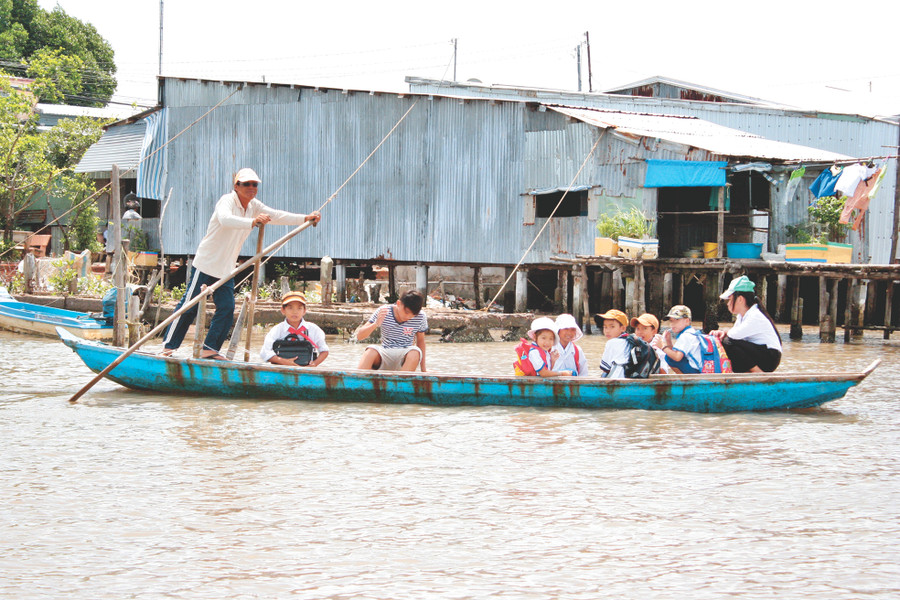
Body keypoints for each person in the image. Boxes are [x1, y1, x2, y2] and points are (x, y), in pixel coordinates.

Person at [161, 168, 321, 359]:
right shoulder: (227, 200)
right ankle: (168, 347)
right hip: (206, 263)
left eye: (254, 184)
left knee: (227, 308)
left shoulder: (254, 205)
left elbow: (276, 215)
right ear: (236, 186)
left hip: (227, 268)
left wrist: (305, 218)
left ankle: (209, 349)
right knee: (189, 306)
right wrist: (252, 222)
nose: (251, 187)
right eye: (246, 184)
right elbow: (225, 219)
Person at [710, 275, 782, 373]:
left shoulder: (755, 315)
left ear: (740, 299)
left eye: (730, 299)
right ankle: (748, 372)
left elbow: (733, 335)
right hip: (762, 353)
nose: (728, 303)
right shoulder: (742, 316)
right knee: (727, 343)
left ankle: (759, 374)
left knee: (727, 342)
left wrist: (725, 331)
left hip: (770, 357)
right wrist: (723, 332)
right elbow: (734, 334)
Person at [356, 290, 428, 371]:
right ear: (398, 303)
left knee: (415, 353)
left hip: (405, 355)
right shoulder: (384, 311)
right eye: (406, 312)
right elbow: (359, 336)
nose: (408, 317)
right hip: (385, 352)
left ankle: (402, 379)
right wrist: (376, 324)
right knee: (370, 351)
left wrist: (423, 369)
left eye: (413, 315)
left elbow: (421, 341)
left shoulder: (421, 316)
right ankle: (358, 378)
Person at [260, 291, 329, 367]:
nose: (295, 312)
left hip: (306, 369)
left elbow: (324, 350)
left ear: (304, 311)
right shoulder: (277, 330)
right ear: (283, 310)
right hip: (281, 369)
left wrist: (314, 364)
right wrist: (284, 362)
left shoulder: (313, 329)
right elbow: (265, 352)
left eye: (299, 308)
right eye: (290, 308)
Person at [653, 305, 702, 374]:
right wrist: (668, 341)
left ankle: (684, 378)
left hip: (695, 370)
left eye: (676, 320)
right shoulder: (692, 332)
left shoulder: (686, 335)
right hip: (698, 368)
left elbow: (677, 357)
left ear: (687, 321)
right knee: (670, 355)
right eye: (671, 321)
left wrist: (662, 347)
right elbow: (675, 352)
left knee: (669, 358)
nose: (672, 324)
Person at [596, 309, 630, 378]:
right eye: (605, 327)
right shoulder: (630, 341)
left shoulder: (611, 343)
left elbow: (605, 368)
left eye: (612, 327)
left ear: (623, 328)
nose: (607, 331)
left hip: (618, 379)